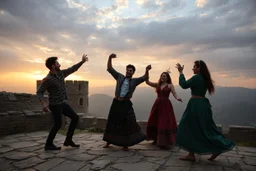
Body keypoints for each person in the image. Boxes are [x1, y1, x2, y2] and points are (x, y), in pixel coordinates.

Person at [175, 60, 235, 161]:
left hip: (195, 105)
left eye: (194, 67)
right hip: (203, 104)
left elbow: (184, 84)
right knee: (206, 129)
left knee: (187, 126)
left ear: (199, 68)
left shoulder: (197, 77)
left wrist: (181, 72)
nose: (193, 68)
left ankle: (192, 154)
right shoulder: (205, 78)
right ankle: (213, 149)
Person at [37, 54, 88, 150]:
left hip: (62, 103)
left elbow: (72, 69)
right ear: (53, 66)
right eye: (57, 63)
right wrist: (43, 103)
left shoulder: (61, 74)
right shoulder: (48, 79)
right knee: (58, 124)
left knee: (75, 117)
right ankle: (48, 144)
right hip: (54, 105)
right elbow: (39, 92)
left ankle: (68, 140)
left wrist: (82, 62)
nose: (59, 64)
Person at [103, 53, 151, 151]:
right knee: (112, 121)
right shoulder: (119, 77)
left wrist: (146, 70)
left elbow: (144, 78)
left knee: (127, 123)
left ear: (133, 72)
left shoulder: (134, 81)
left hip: (126, 103)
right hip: (116, 102)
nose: (129, 71)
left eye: (131, 71)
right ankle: (109, 141)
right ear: (126, 71)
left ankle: (125, 144)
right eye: (128, 70)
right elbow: (110, 69)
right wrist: (109, 58)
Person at [146, 70, 182, 149]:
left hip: (166, 105)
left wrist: (177, 98)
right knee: (154, 119)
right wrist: (147, 71)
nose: (162, 77)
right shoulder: (157, 85)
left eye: (164, 76)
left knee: (164, 121)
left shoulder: (170, 85)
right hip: (157, 104)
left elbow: (174, 93)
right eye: (161, 76)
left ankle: (164, 141)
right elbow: (147, 82)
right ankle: (156, 139)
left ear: (167, 78)